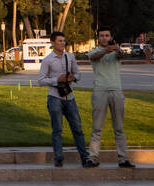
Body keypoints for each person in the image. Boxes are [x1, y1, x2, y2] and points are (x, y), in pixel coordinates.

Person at [37, 31, 95, 168]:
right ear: (52, 43)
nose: (63, 43)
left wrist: (72, 78)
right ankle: (58, 157)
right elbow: (41, 80)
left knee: (77, 128)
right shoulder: (47, 60)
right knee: (57, 129)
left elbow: (78, 74)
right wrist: (57, 80)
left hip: (70, 97)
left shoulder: (70, 57)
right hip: (54, 97)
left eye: (64, 40)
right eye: (59, 41)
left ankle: (85, 157)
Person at [86, 29, 134, 168]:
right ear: (98, 38)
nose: (105, 38)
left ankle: (123, 158)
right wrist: (107, 50)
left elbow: (122, 55)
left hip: (116, 90)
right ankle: (93, 157)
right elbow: (95, 57)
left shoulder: (115, 52)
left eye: (107, 35)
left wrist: (117, 49)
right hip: (100, 91)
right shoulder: (93, 52)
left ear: (111, 37)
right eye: (102, 36)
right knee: (97, 128)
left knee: (119, 127)